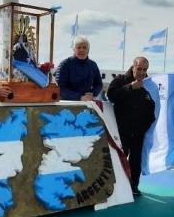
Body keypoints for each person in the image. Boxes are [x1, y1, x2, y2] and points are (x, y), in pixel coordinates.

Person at [106, 57, 156, 196]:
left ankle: (134, 185)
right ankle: (116, 186)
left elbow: (152, 108)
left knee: (136, 161)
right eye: (139, 68)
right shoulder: (120, 80)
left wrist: (144, 127)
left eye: (144, 69)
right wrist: (130, 87)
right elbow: (111, 96)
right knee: (119, 158)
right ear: (133, 67)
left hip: (138, 132)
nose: (141, 72)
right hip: (121, 129)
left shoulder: (148, 85)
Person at [56, 36, 103, 101]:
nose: (81, 50)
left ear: (88, 50)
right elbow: (59, 88)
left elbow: (99, 84)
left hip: (87, 104)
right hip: (67, 104)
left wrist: (92, 93)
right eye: (79, 47)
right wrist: (79, 97)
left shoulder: (93, 65)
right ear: (74, 49)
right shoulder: (64, 64)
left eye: (84, 47)